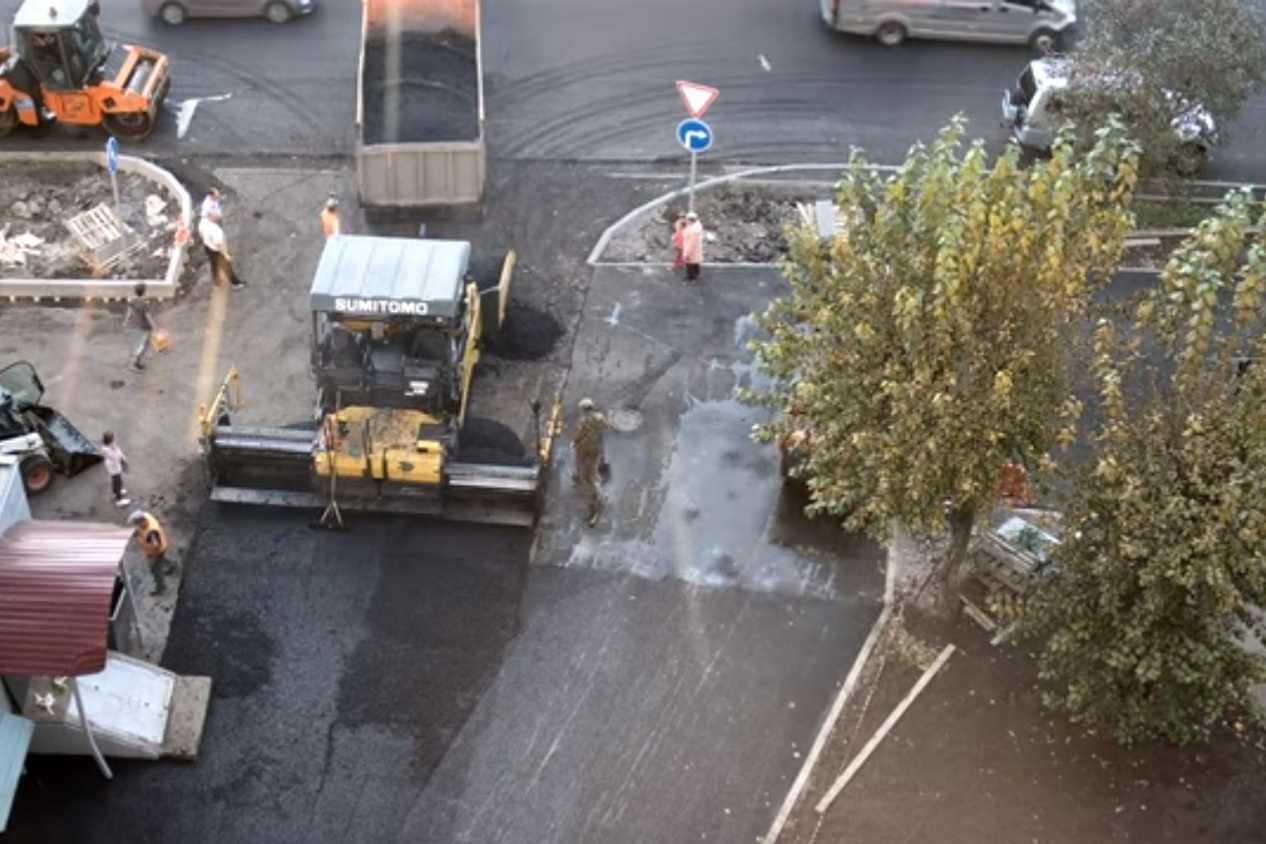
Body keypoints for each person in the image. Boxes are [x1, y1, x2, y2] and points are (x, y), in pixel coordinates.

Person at [572, 398, 609, 526]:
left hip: (584, 450)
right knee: (594, 470)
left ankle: (597, 498)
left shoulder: (582, 421)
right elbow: (606, 426)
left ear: (583, 409)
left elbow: (578, 435)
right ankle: (597, 489)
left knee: (587, 475)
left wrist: (575, 442)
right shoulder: (599, 417)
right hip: (596, 449)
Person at [128, 510, 174, 596]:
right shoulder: (146, 516)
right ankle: (171, 566)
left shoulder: (151, 532)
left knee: (155, 570)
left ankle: (160, 587)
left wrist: (153, 557)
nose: (136, 526)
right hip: (161, 547)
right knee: (162, 558)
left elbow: (156, 545)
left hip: (156, 552)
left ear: (141, 522)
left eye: (137, 524)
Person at [198, 210, 246, 289]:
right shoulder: (216, 231)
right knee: (226, 267)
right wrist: (225, 254)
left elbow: (201, 234)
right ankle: (235, 283)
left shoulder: (202, 223)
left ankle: (217, 282)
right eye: (216, 214)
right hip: (217, 250)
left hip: (207, 247)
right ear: (212, 216)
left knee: (214, 265)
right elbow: (220, 244)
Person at [123, 282, 155, 371]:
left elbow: (129, 313)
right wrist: (155, 327)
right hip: (145, 326)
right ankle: (135, 362)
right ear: (144, 292)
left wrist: (126, 322)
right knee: (143, 345)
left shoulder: (132, 301)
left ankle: (136, 361)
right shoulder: (144, 304)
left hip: (136, 326)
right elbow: (148, 316)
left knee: (139, 343)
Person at [101, 431, 130, 507]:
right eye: (113, 439)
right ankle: (119, 499)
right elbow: (116, 457)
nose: (114, 440)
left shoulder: (110, 446)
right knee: (118, 482)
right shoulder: (108, 450)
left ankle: (116, 492)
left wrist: (123, 459)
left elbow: (119, 452)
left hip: (114, 467)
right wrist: (122, 462)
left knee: (115, 481)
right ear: (109, 441)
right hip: (114, 468)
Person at [682, 211, 704, 281]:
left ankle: (691, 276)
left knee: (690, 263)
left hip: (692, 250)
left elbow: (691, 243)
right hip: (696, 249)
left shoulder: (693, 231)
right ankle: (697, 273)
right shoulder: (697, 227)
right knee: (695, 262)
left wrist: (687, 253)